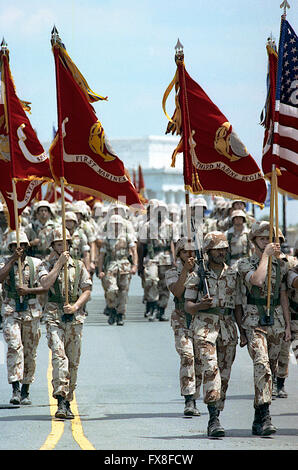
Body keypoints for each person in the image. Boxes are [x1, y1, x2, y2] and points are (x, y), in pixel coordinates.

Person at [237, 221, 291, 436]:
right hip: (254, 322)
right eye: (263, 239)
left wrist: (287, 325)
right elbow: (258, 280)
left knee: (271, 368)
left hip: (276, 322)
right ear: (253, 242)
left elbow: (284, 295)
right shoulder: (244, 264)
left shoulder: (282, 265)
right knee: (262, 365)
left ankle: (259, 415)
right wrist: (267, 257)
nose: (269, 243)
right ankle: (266, 415)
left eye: (273, 240)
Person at [184, 231, 240, 437]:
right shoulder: (197, 275)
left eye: (224, 249)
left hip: (227, 328)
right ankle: (213, 418)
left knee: (224, 377)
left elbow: (239, 307)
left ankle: (217, 411)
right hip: (204, 328)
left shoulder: (233, 274)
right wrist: (200, 304)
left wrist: (243, 331)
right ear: (207, 251)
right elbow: (188, 306)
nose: (221, 252)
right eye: (216, 249)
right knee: (210, 370)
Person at [37, 227, 92, 419]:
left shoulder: (79, 265)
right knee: (59, 357)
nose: (63, 246)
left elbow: (86, 289)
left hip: (74, 317)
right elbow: (45, 285)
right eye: (59, 243)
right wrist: (58, 265)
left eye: (65, 242)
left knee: (73, 361)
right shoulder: (45, 265)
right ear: (53, 246)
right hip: (54, 316)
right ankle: (60, 400)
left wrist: (76, 306)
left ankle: (68, 400)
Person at [0, 231, 46, 405]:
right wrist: (12, 260)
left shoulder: (36, 263)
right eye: (15, 246)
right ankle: (15, 389)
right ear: (10, 247)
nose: (19, 248)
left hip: (31, 311)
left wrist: (29, 291)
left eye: (22, 245)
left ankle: (26, 388)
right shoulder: (5, 262)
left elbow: (45, 285)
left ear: (27, 246)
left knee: (30, 352)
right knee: (14, 346)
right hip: (11, 310)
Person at [165, 237, 201, 417]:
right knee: (187, 356)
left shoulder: (203, 270)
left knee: (201, 360)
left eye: (192, 251)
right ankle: (189, 399)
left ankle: (197, 394)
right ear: (179, 254)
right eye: (185, 251)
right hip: (181, 318)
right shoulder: (172, 272)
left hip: (202, 319)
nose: (189, 254)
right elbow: (177, 291)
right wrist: (185, 272)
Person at [97, 215, 137, 326]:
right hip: (111, 265)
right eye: (113, 224)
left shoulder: (128, 236)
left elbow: (134, 251)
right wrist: (100, 270)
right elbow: (102, 255)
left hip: (124, 266)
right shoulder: (107, 239)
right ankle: (112, 309)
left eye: (118, 224)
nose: (115, 226)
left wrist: (135, 266)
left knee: (123, 292)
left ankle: (120, 314)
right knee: (111, 290)